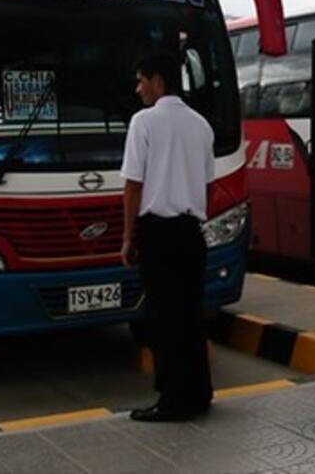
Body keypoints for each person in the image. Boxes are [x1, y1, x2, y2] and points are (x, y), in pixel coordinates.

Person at [121, 51, 214, 421]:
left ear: (158, 81)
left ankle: (172, 400)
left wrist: (128, 237)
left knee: (161, 319)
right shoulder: (202, 125)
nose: (138, 88)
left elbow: (133, 185)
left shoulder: (143, 122)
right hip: (192, 233)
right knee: (191, 316)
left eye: (141, 80)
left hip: (158, 234)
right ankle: (199, 393)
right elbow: (207, 182)